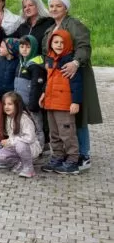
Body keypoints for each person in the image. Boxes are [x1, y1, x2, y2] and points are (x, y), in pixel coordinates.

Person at [42, 0, 101, 172]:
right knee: (59, 120)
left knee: (78, 115)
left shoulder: (74, 25)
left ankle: (83, 154)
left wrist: (75, 63)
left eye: (58, 6)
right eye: (51, 6)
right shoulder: (50, 28)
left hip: (75, 75)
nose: (54, 9)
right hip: (56, 79)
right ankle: (62, 155)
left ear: (66, 8)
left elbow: (84, 47)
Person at [40, 30, 82, 175]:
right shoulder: (50, 59)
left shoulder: (69, 62)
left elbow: (76, 83)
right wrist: (44, 95)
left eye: (62, 42)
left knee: (67, 133)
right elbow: (49, 81)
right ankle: (57, 156)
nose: (59, 45)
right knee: (54, 133)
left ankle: (72, 160)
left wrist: (75, 102)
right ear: (50, 43)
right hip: (50, 103)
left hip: (64, 105)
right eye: (56, 42)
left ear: (68, 44)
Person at [0, 92, 41, 178]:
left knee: (20, 145)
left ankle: (29, 168)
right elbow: (11, 136)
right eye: (4, 104)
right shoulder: (8, 118)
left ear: (17, 105)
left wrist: (10, 141)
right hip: (15, 146)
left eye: (10, 104)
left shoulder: (24, 118)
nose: (6, 107)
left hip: (29, 148)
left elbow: (29, 138)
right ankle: (19, 162)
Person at [14, 35, 46, 148]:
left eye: (27, 47)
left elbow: (36, 86)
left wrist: (33, 104)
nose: (24, 49)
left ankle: (40, 148)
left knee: (37, 127)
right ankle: (28, 148)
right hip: (21, 103)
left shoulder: (35, 65)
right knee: (24, 127)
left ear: (33, 48)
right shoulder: (21, 62)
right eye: (21, 46)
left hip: (31, 104)